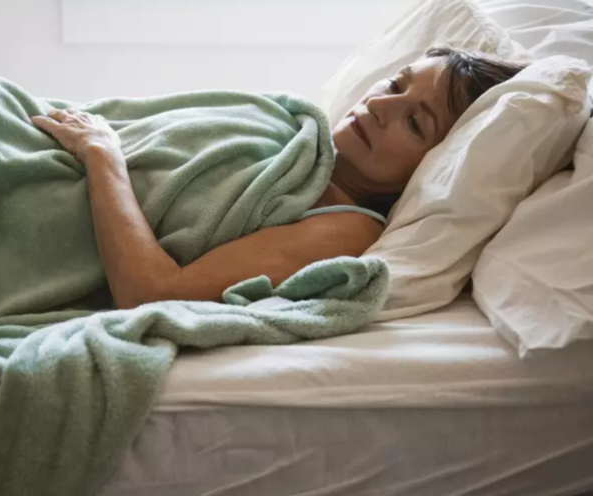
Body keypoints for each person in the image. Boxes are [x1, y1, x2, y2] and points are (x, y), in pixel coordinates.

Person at [31, 46, 527, 309]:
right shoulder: (295, 133)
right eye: (396, 84)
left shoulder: (348, 227)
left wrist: (103, 155)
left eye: (416, 122)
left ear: (437, 163)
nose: (381, 104)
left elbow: (154, 293)